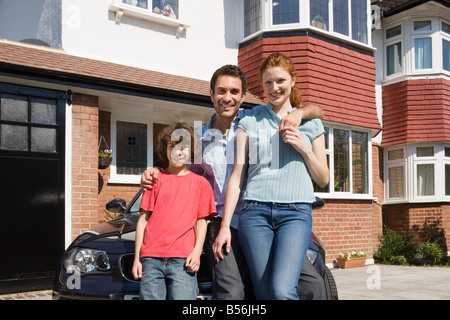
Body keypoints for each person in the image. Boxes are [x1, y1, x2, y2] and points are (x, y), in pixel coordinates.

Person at [140, 64, 325, 300]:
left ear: (243, 96)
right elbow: (181, 172)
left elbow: (316, 110)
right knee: (232, 294)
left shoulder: (258, 120)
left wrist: (299, 113)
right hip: (222, 221)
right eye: (221, 91)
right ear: (211, 94)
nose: (227, 98)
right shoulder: (198, 139)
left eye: (234, 92)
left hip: (262, 213)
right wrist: (154, 171)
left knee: (312, 285)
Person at [212, 53, 329, 300]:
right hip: (254, 214)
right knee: (264, 294)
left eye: (280, 81)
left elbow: (323, 179)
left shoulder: (311, 123)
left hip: (295, 214)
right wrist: (224, 227)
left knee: (282, 291)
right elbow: (237, 176)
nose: (274, 88)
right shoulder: (250, 120)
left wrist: (304, 148)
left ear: (293, 80)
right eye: (268, 83)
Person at [132, 121, 216, 300]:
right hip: (151, 258)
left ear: (191, 151)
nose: (179, 152)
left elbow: (202, 222)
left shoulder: (201, 184)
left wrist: (196, 252)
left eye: (184, 147)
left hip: (182, 259)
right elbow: (143, 220)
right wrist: (137, 258)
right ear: (165, 150)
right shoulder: (154, 181)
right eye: (173, 146)